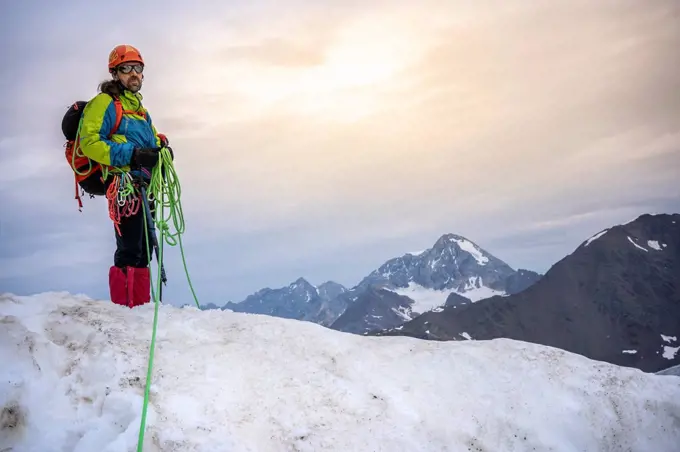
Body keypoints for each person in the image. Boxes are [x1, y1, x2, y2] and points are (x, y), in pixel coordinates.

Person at [78, 44, 169, 308]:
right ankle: (125, 311)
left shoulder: (140, 110)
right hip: (123, 185)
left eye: (137, 69)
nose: (133, 74)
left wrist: (161, 148)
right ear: (115, 72)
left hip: (144, 184)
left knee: (143, 249)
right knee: (130, 247)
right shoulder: (104, 103)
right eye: (126, 69)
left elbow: (149, 141)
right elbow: (90, 143)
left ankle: (139, 309)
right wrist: (132, 155)